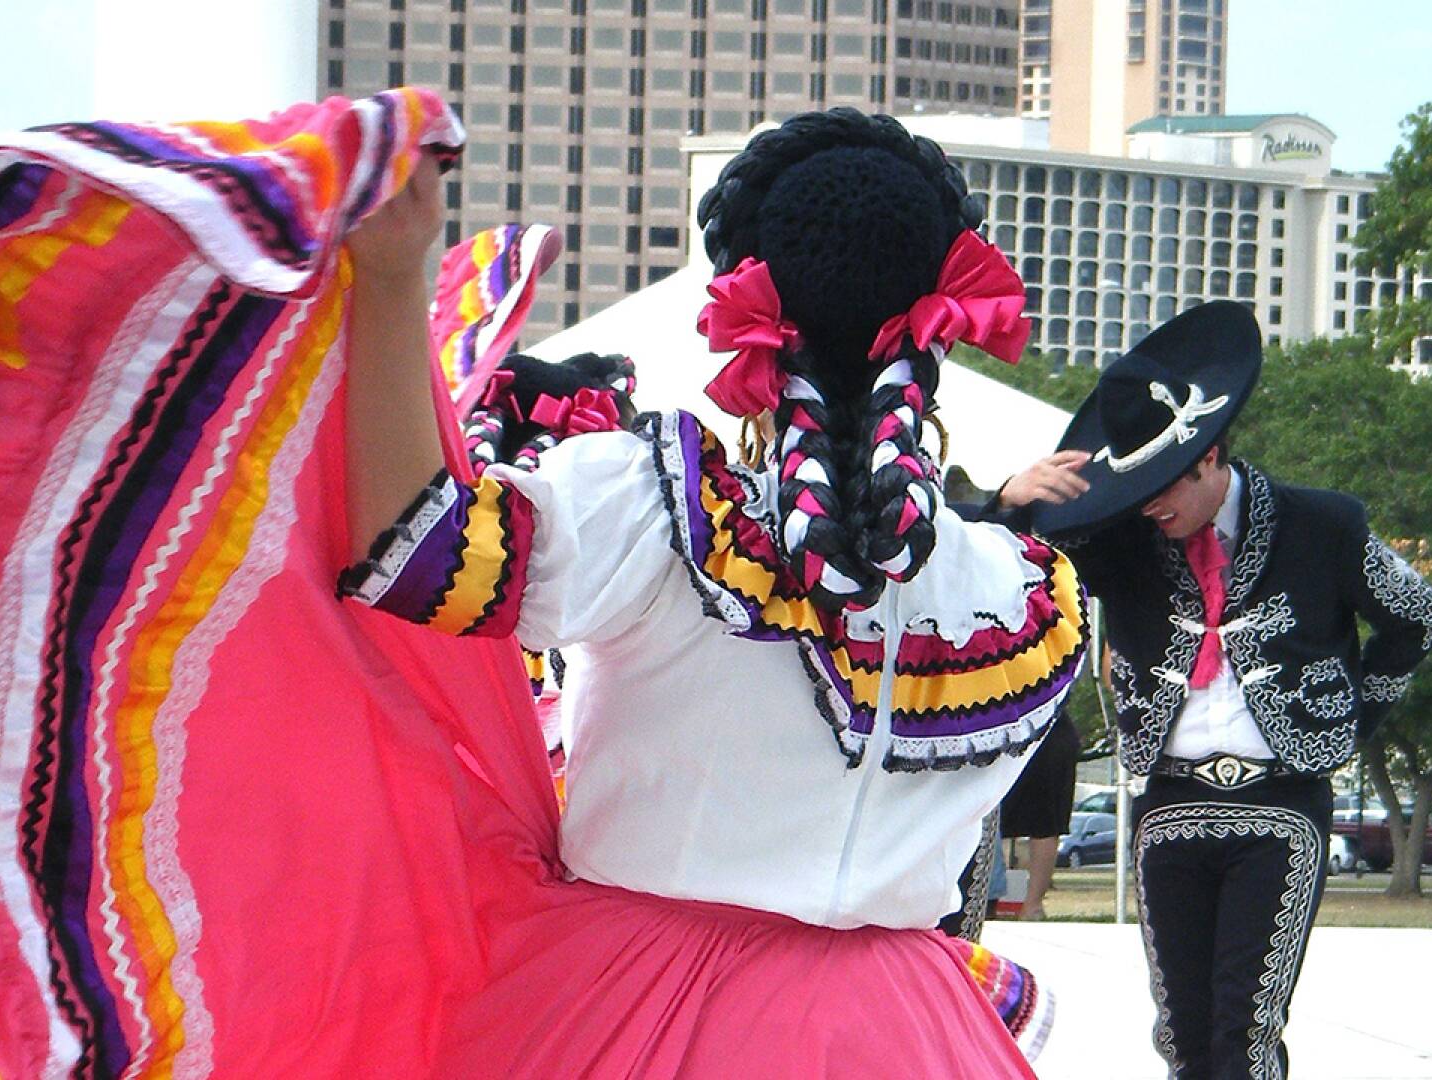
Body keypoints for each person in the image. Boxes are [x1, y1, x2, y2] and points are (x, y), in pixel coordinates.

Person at [340, 107, 1084, 1074]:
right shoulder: (1026, 597)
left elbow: (418, 555)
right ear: (944, 321)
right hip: (905, 1026)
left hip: (631, 1005)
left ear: (749, 327)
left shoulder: (657, 511)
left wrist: (392, 277)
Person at [991, 301, 1432, 1079]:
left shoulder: (1323, 525)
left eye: (1166, 484)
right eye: (1138, 489)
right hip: (1170, 804)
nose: (1151, 504)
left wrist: (1347, 720)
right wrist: (1007, 500)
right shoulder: (1120, 540)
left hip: (1280, 805)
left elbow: (1418, 616)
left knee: (1248, 1030)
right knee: (1183, 1036)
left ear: (1209, 457)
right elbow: (986, 569)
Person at [999, 704, 1081, 919]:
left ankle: (1032, 904)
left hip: (1045, 730)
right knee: (991, 820)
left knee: (1045, 823)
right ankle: (1014, 901)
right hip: (1008, 726)